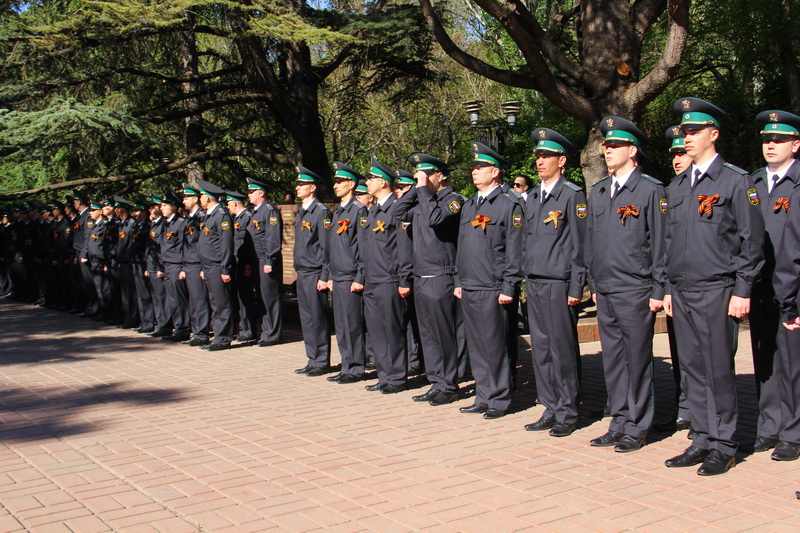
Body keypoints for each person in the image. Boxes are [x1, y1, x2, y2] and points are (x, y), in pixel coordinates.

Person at [663, 97, 765, 476]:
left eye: (693, 131)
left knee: (718, 368)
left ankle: (725, 443)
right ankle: (702, 436)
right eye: (684, 131)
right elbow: (670, 243)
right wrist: (670, 288)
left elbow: (751, 243)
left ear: (713, 134)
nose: (686, 137)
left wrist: (742, 290)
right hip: (684, 291)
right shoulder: (677, 186)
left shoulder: (736, 181)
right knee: (691, 368)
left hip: (718, 289)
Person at [584, 117, 667, 451]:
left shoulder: (650, 189)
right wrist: (594, 285)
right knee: (613, 359)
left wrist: (658, 290)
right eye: (606, 146)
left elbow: (660, 244)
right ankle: (618, 420)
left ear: (632, 151)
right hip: (606, 288)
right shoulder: (600, 191)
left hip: (636, 289)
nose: (608, 151)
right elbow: (591, 242)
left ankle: (638, 424)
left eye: (615, 146)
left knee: (637, 359)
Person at [522, 128, 587, 437]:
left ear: (561, 161)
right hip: (534, 282)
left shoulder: (572, 195)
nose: (540, 161)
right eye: (537, 156)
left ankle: (569, 409)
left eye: (546, 156)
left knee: (562, 349)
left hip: (559, 284)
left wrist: (577, 287)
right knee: (542, 349)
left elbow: (579, 245)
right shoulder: (533, 196)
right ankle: (550, 405)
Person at [455, 142, 524, 419]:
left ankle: (500, 398)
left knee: (496, 346)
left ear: (495, 171)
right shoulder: (470, 205)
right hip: (470, 285)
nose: (474, 172)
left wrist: (509, 285)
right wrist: (459, 281)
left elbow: (515, 248)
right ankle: (483, 395)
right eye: (473, 167)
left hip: (494, 287)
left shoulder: (509, 204)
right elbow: (462, 246)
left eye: (479, 167)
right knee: (477, 345)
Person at [393, 153, 464, 406]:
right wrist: (415, 190)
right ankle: (436, 381)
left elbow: (435, 219)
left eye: (426, 174)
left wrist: (423, 190)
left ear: (440, 175)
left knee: (443, 334)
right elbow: (397, 212)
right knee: (428, 334)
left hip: (441, 275)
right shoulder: (421, 200)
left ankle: (449, 384)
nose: (420, 178)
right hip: (421, 276)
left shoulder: (453, 201)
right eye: (418, 175)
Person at [749, 110, 800, 459]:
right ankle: (769, 425)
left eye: (779, 139)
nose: (771, 144)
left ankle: (794, 432)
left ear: (795, 145)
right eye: (767, 139)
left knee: (792, 364)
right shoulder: (752, 184)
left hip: (793, 290)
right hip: (760, 287)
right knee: (764, 360)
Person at [362, 157, 413, 394]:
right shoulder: (374, 210)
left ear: (382, 182)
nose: (367, 182)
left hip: (390, 279)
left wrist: (404, 279)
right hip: (372, 279)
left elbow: (403, 246)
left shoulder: (397, 208)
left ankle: (396, 377)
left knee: (392, 330)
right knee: (376, 330)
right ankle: (384, 375)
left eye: (371, 178)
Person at [326, 162, 368, 384]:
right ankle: (346, 365)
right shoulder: (338, 211)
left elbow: (362, 247)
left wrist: (359, 277)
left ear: (351, 184)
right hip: (339, 275)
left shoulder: (358, 211)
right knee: (341, 325)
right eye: (335, 181)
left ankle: (356, 368)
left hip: (351, 276)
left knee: (352, 325)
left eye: (340, 181)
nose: (336, 185)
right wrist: (331, 275)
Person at [663, 126, 692, 432]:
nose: (677, 158)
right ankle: (685, 404)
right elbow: (666, 245)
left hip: (707, 285)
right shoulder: (671, 190)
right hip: (677, 286)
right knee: (679, 351)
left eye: (682, 152)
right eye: (673, 153)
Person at [292, 166, 332, 376]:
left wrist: (325, 275)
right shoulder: (303, 212)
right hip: (303, 272)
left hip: (316, 273)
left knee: (318, 318)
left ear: (312, 188)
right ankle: (312, 358)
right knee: (307, 319)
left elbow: (326, 247)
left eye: (301, 184)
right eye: (297, 184)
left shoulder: (321, 212)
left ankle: (322, 360)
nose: (297, 188)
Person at [196, 180, 237, 351]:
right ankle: (218, 336)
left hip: (217, 266)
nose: (200, 198)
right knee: (214, 303)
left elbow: (226, 244)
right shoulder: (210, 216)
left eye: (202, 195)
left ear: (208, 197)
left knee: (221, 303)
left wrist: (225, 268)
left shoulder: (221, 215)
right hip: (208, 266)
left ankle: (224, 338)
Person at [247, 177, 283, 346]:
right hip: (258, 260)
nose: (249, 195)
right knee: (262, 297)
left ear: (261, 193)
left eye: (251, 191)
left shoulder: (270, 210)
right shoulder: (256, 211)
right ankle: (266, 332)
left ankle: (272, 334)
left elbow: (273, 238)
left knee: (270, 298)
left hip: (267, 261)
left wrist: (270, 260)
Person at [225, 190, 259, 343]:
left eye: (228, 203)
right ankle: (242, 327)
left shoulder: (247, 218)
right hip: (236, 262)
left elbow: (249, 245)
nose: (227, 206)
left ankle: (248, 330)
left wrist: (247, 264)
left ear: (234, 203)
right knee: (238, 297)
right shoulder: (235, 218)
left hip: (244, 263)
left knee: (246, 297)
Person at [179, 183, 211, 347]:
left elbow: (202, 244)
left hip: (198, 264)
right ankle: (196, 331)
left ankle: (202, 333)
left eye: (187, 197)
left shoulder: (202, 217)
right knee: (193, 301)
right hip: (189, 264)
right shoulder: (190, 218)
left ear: (195, 198)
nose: (184, 200)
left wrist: (202, 266)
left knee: (199, 300)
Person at [159, 191, 191, 342]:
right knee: (172, 300)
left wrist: (183, 268)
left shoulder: (181, 223)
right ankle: (177, 327)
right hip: (168, 265)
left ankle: (183, 329)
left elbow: (185, 247)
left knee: (179, 300)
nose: (161, 208)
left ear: (173, 206)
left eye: (164, 205)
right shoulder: (167, 223)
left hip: (177, 266)